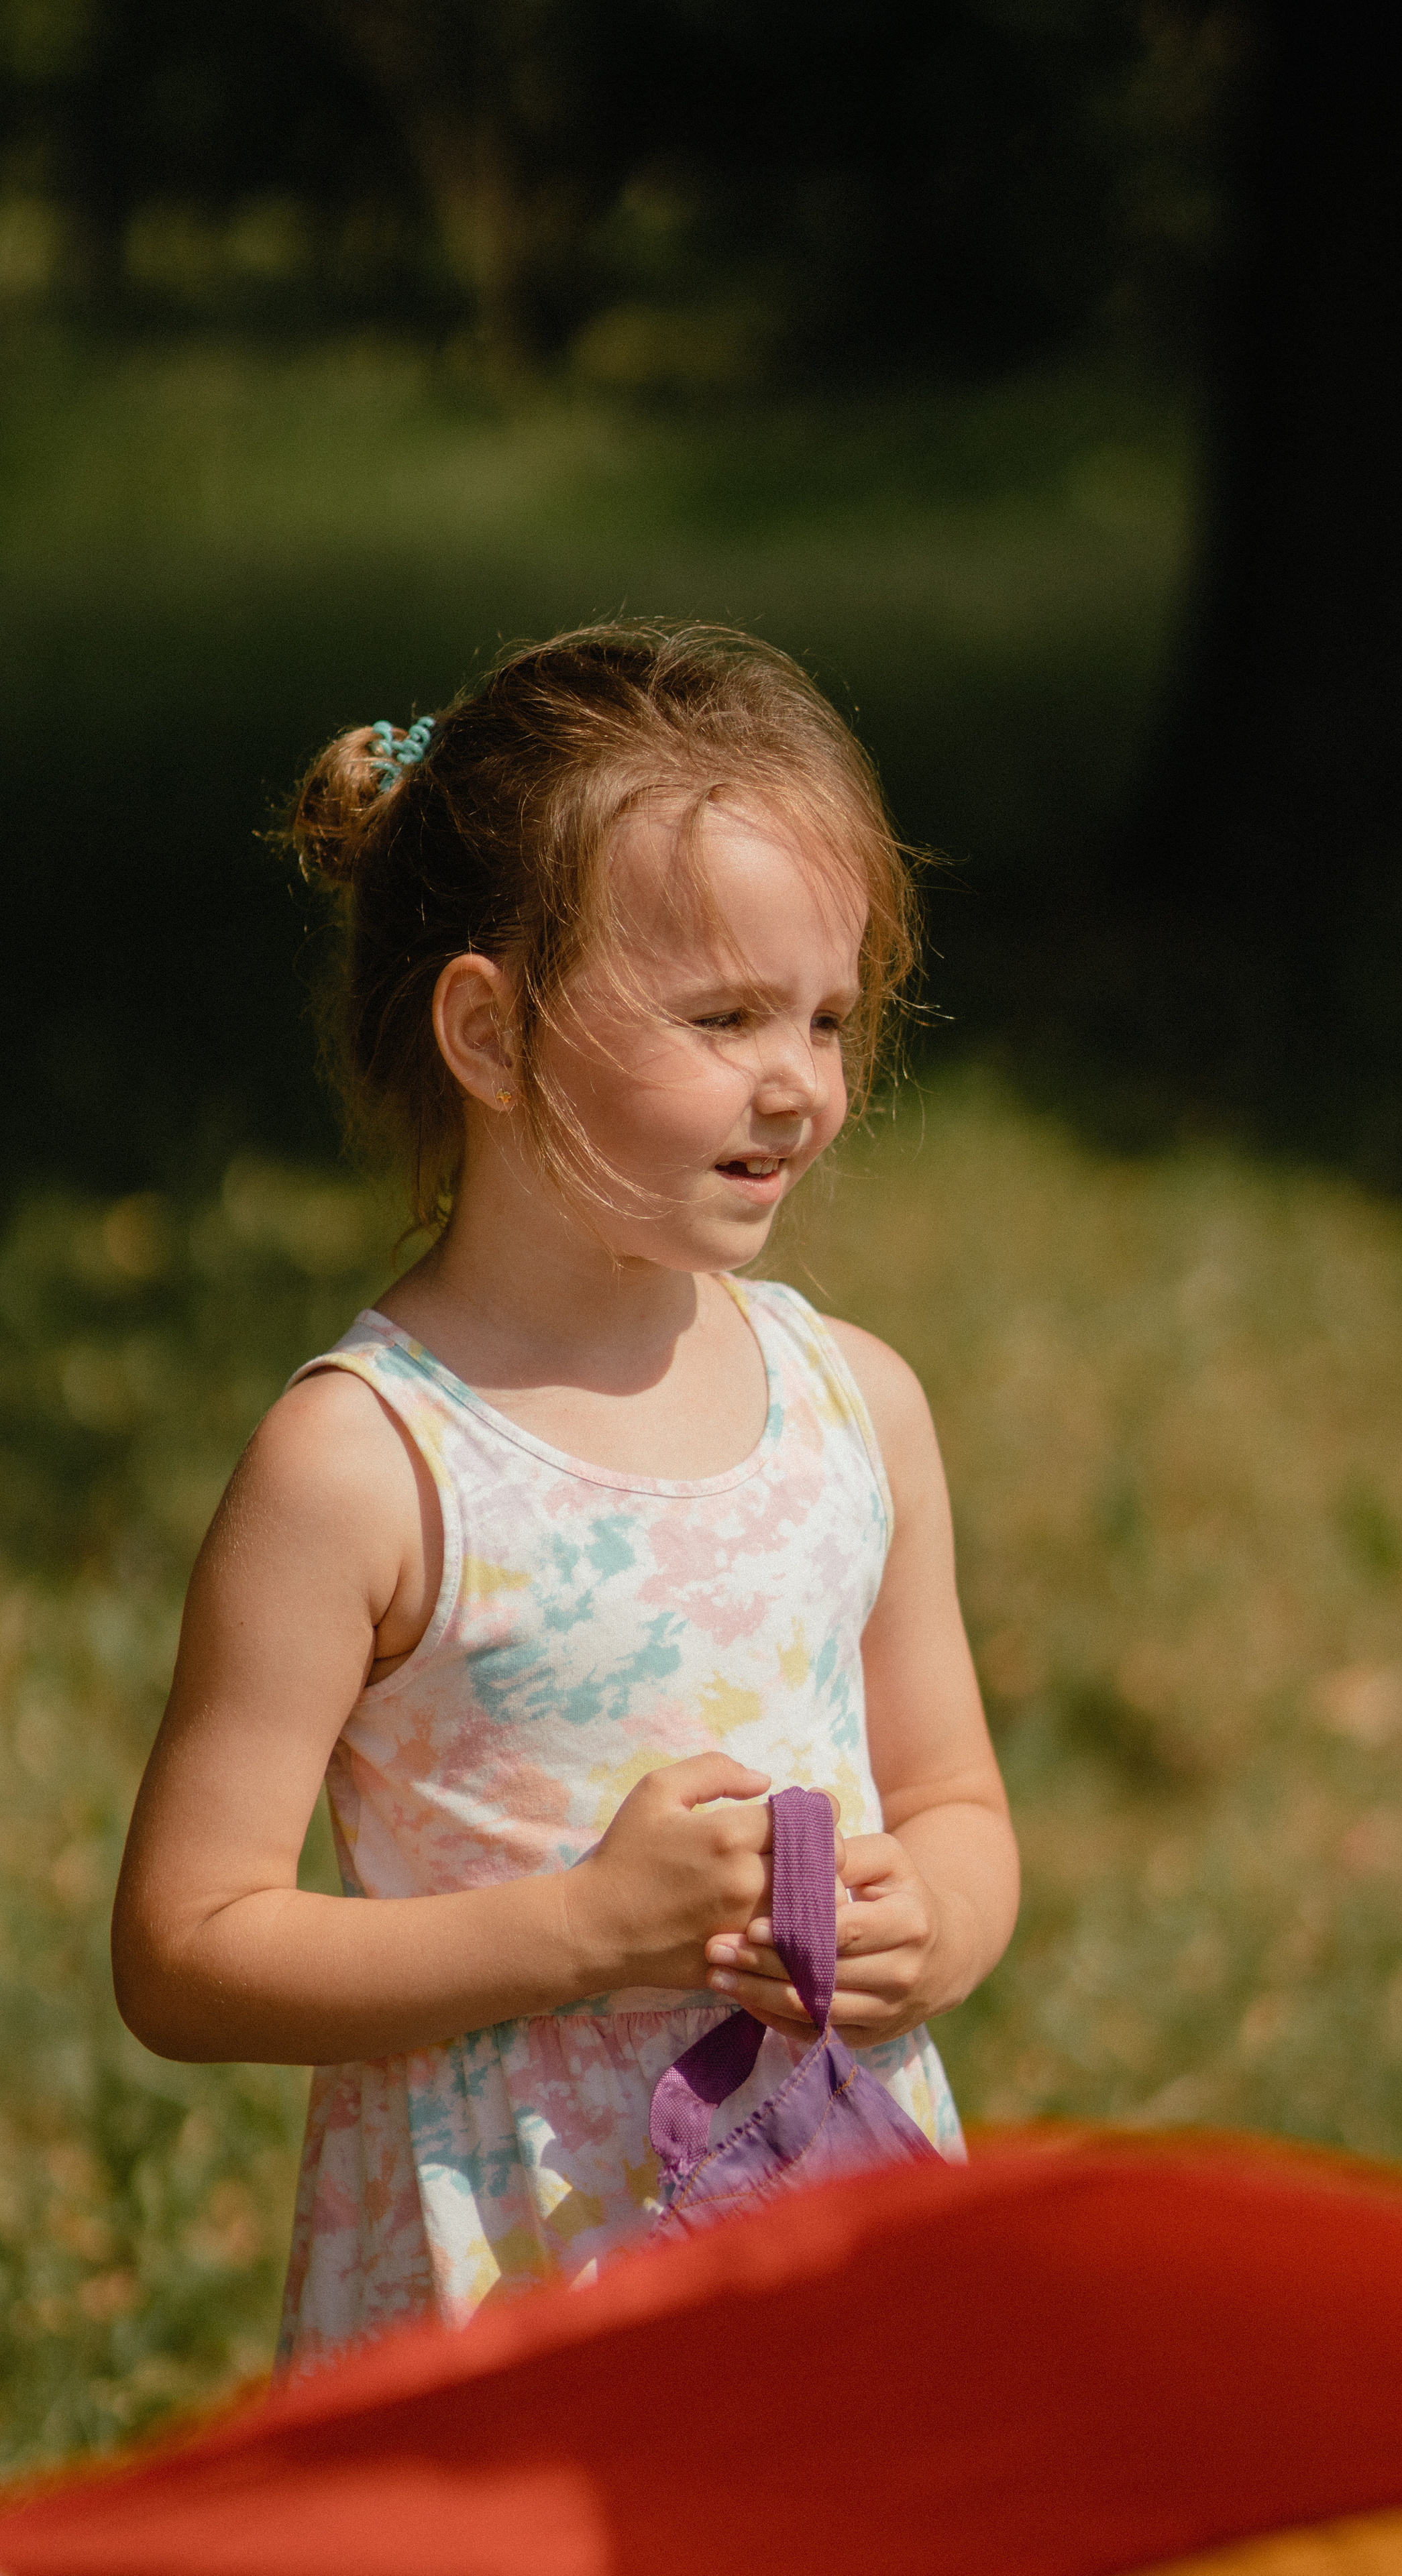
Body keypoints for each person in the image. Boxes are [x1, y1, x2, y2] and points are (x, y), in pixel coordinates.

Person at [111, 624, 1019, 2373]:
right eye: (724, 1016)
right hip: (508, 2299)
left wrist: (941, 1928)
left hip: (822, 2243)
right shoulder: (372, 1462)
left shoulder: (858, 1411)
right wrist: (580, 1929)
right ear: (490, 1030)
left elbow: (957, 1798)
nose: (801, 1082)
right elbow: (185, 1946)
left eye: (826, 1017)